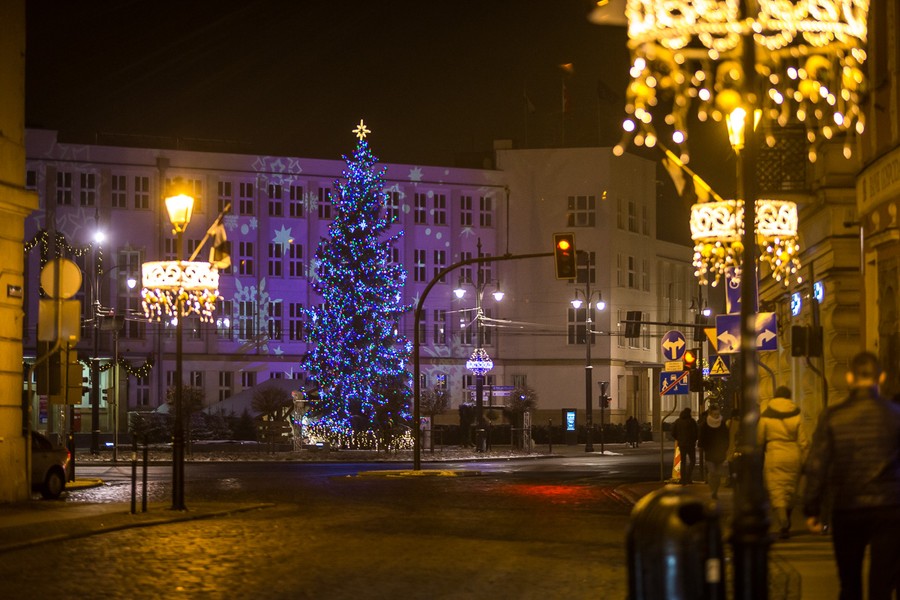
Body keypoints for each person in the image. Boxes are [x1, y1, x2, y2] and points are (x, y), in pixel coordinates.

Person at [803, 352, 900, 600]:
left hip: (847, 505)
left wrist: (812, 509)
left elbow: (817, 464)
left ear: (849, 378)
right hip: (889, 506)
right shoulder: (895, 415)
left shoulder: (833, 417)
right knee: (883, 582)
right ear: (881, 377)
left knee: (849, 581)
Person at [758, 385, 809, 539]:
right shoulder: (796, 414)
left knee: (777, 489)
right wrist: (806, 459)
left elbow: (759, 439)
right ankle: (787, 515)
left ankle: (783, 520)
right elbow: (803, 441)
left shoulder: (766, 415)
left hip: (774, 455)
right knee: (791, 489)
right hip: (793, 454)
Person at [698, 403, 730, 499]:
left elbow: (726, 437)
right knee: (712, 473)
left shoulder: (722, 424)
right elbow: (701, 438)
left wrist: (725, 447)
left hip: (720, 453)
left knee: (718, 474)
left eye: (718, 414)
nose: (716, 416)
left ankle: (715, 490)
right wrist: (703, 447)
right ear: (710, 414)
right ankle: (713, 491)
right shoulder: (705, 425)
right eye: (715, 414)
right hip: (710, 453)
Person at [671, 407, 698, 484]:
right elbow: (696, 432)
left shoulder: (678, 421)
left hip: (682, 444)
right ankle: (688, 477)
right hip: (690, 444)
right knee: (692, 461)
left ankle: (683, 479)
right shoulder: (692, 421)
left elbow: (673, 432)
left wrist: (678, 438)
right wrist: (694, 440)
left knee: (683, 462)